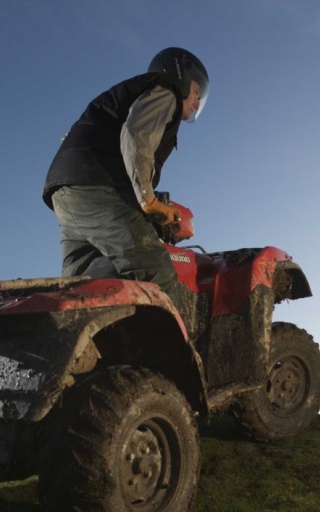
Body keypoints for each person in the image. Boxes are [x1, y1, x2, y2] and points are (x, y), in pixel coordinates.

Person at [42, 48, 209, 323]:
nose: (197, 101)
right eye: (196, 91)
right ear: (179, 76)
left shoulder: (129, 95)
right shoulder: (164, 92)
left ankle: (69, 339)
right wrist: (148, 200)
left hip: (66, 192)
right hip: (97, 187)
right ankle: (169, 349)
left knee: (81, 286)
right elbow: (136, 134)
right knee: (159, 272)